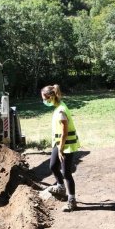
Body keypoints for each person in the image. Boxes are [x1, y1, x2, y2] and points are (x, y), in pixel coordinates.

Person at [41, 84, 80, 212]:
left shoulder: (61, 110)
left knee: (66, 173)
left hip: (66, 145)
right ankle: (61, 187)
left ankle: (72, 201)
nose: (44, 101)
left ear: (51, 97)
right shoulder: (58, 107)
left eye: (45, 98)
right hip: (59, 144)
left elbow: (64, 131)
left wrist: (61, 149)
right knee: (53, 166)